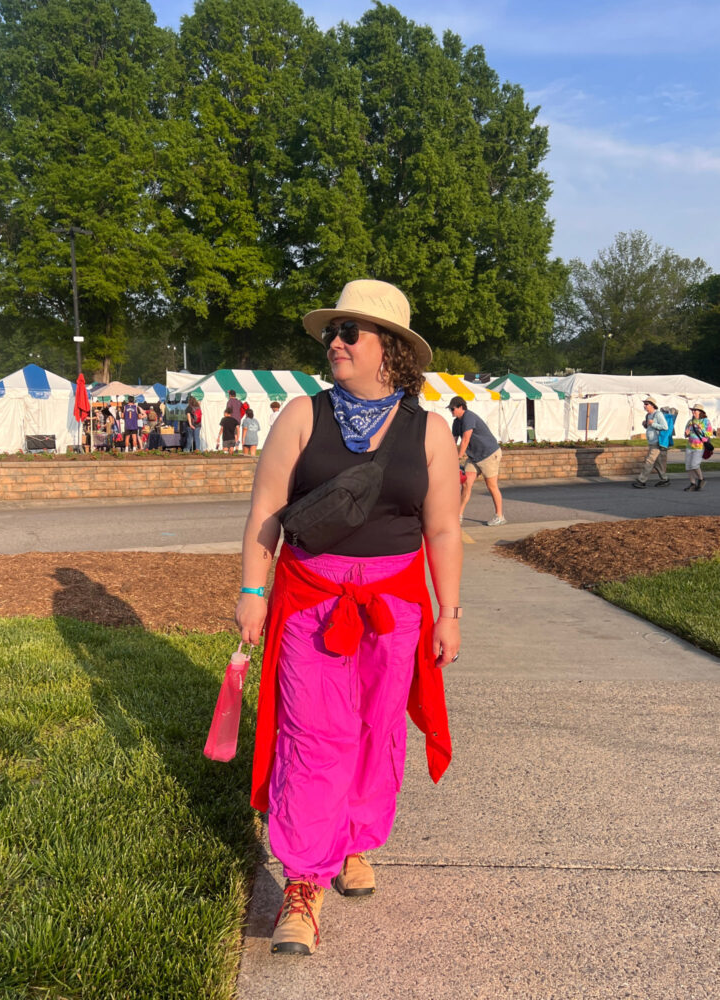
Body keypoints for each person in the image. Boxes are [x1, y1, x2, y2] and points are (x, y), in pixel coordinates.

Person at [235, 279, 460, 956]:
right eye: (333, 331)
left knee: (376, 727)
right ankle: (304, 883)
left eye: (349, 332)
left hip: (396, 610)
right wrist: (253, 590)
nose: (334, 341)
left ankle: (355, 841)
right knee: (314, 735)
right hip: (311, 603)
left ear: (390, 349)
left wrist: (449, 612)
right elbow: (266, 510)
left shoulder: (432, 430)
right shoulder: (302, 416)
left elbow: (443, 530)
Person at [448, 396, 506, 525]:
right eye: (450, 409)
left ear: (461, 407)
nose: (451, 411)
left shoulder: (469, 417)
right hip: (474, 457)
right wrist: (450, 457)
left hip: (489, 454)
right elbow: (453, 441)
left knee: (491, 486)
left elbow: (465, 439)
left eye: (453, 409)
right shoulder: (456, 422)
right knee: (466, 484)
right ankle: (458, 515)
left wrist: (458, 457)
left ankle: (500, 516)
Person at [632, 398, 669, 488]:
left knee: (649, 461)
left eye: (646, 404)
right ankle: (664, 479)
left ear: (652, 405)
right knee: (657, 462)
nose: (644, 406)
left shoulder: (658, 414)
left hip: (657, 442)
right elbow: (650, 427)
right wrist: (646, 424)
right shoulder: (648, 415)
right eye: (644, 404)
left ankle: (642, 480)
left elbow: (665, 427)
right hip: (651, 442)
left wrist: (653, 424)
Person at [683, 404, 713, 491]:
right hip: (689, 446)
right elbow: (686, 434)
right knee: (688, 466)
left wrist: (701, 430)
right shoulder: (690, 421)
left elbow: (709, 433)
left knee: (694, 465)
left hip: (699, 447)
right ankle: (692, 483)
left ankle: (701, 479)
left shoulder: (705, 421)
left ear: (700, 412)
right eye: (692, 410)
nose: (693, 412)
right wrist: (686, 434)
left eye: (695, 410)